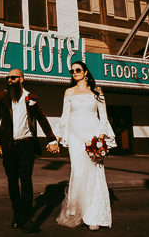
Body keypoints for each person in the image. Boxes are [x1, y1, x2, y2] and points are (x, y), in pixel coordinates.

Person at [0, 68, 60, 232]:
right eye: (7, 78)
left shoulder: (31, 98)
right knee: (12, 180)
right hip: (8, 145)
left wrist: (51, 138)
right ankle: (17, 212)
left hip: (26, 144)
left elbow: (41, 118)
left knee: (26, 180)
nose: (9, 80)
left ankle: (27, 217)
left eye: (13, 78)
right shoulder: (2, 96)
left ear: (21, 79)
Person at [54, 60, 116, 231]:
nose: (75, 73)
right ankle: (77, 213)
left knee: (95, 173)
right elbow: (64, 117)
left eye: (78, 70)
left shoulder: (97, 91)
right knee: (79, 172)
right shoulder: (69, 92)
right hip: (75, 137)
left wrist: (101, 138)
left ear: (86, 72)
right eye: (72, 71)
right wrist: (57, 139)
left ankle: (94, 216)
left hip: (93, 136)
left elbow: (103, 117)